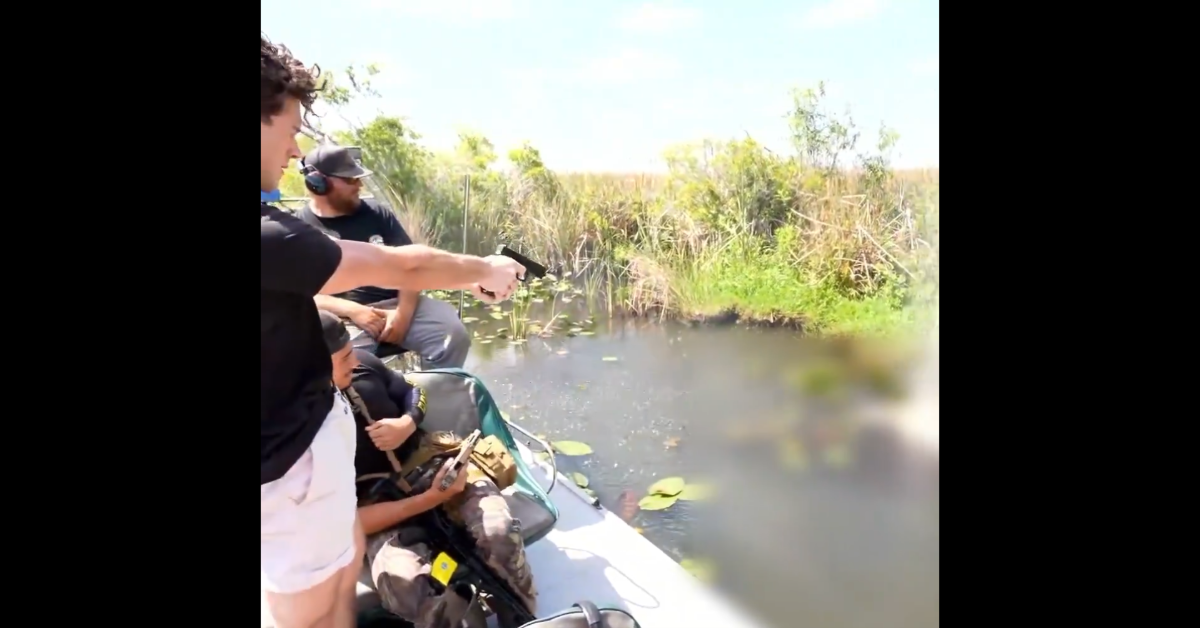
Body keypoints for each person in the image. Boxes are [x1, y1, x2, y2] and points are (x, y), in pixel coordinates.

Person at [261, 35, 526, 628]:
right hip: (293, 475)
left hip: (311, 467)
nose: (294, 145)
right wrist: (485, 269)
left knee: (338, 577)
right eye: (289, 126)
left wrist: (408, 410)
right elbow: (401, 265)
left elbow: (405, 277)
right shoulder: (276, 232)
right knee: (315, 610)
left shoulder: (363, 364)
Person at [317, 312, 537, 626]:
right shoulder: (297, 435)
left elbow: (413, 392)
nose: (355, 362)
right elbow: (344, 523)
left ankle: (520, 615)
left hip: (435, 466)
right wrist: (428, 501)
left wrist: (407, 423)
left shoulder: (364, 365)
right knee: (403, 587)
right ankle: (460, 614)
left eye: (352, 352)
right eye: (344, 358)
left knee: (499, 532)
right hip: (379, 509)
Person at [297, 145, 471, 369]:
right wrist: (354, 310)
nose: (359, 185)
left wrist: (402, 315)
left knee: (453, 335)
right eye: (350, 180)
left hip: (398, 304)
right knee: (342, 364)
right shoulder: (299, 227)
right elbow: (303, 294)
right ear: (318, 183)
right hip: (342, 315)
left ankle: (432, 397)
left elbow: (413, 266)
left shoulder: (377, 213)